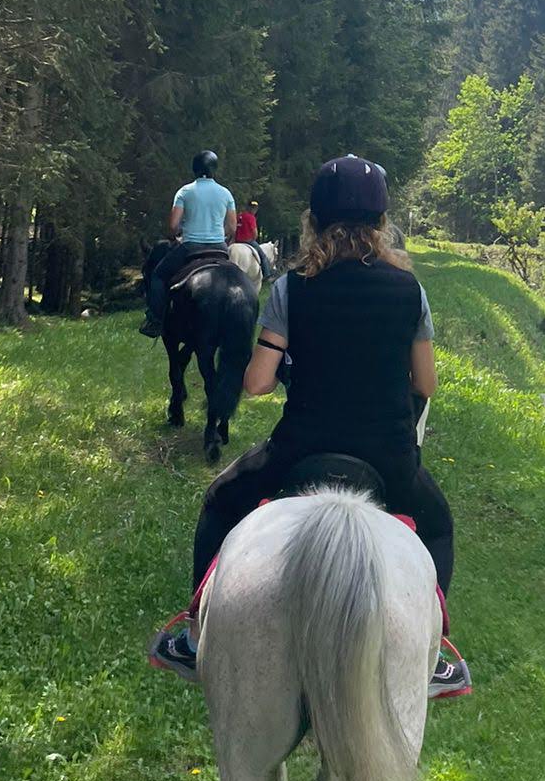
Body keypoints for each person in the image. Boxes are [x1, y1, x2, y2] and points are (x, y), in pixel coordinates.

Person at [150, 154, 470, 699]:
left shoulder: (291, 288)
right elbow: (427, 383)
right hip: (388, 457)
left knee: (221, 500)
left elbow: (256, 384)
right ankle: (435, 651)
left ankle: (197, 633)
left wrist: (288, 364)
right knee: (437, 526)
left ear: (314, 220)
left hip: (301, 448)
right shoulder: (408, 290)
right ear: (380, 220)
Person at [139, 149, 237, 338]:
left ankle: (155, 321)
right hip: (219, 249)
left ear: (195, 169)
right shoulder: (225, 193)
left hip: (191, 247)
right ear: (214, 169)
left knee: (158, 276)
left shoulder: (185, 192)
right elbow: (232, 226)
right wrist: (218, 235)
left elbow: (174, 225)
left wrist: (177, 235)